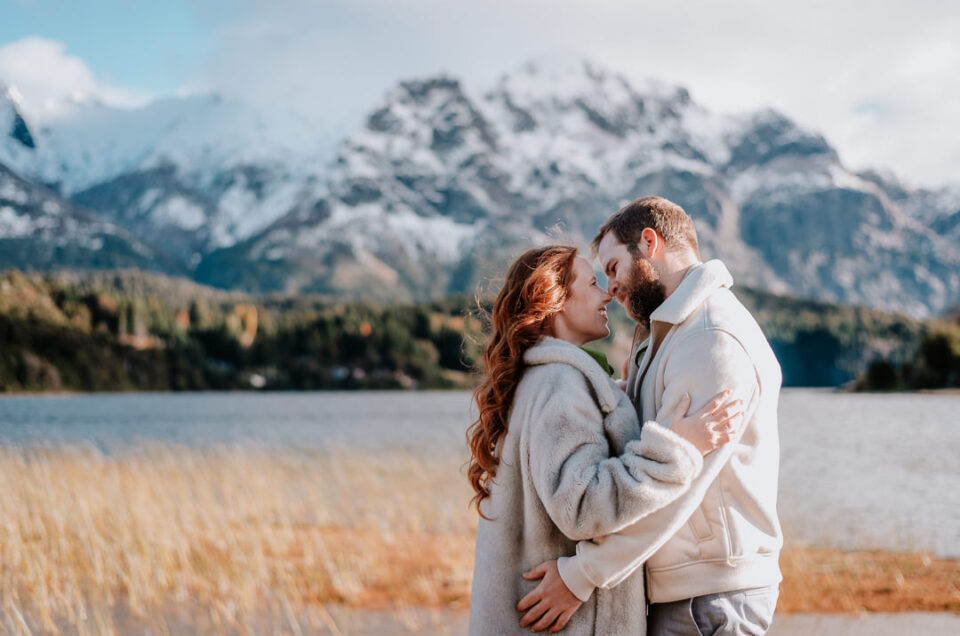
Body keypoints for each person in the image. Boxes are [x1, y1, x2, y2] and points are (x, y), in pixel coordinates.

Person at [519, 197, 783, 635]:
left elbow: (683, 484)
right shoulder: (671, 335)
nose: (610, 286)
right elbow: (652, 449)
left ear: (649, 243)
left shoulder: (709, 337)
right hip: (692, 591)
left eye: (613, 266)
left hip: (710, 596)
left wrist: (582, 575)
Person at [467, 245, 745, 635]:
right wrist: (677, 449)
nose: (608, 294)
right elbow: (580, 505)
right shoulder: (561, 384)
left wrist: (625, 397)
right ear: (555, 299)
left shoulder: (546, 381)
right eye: (594, 282)